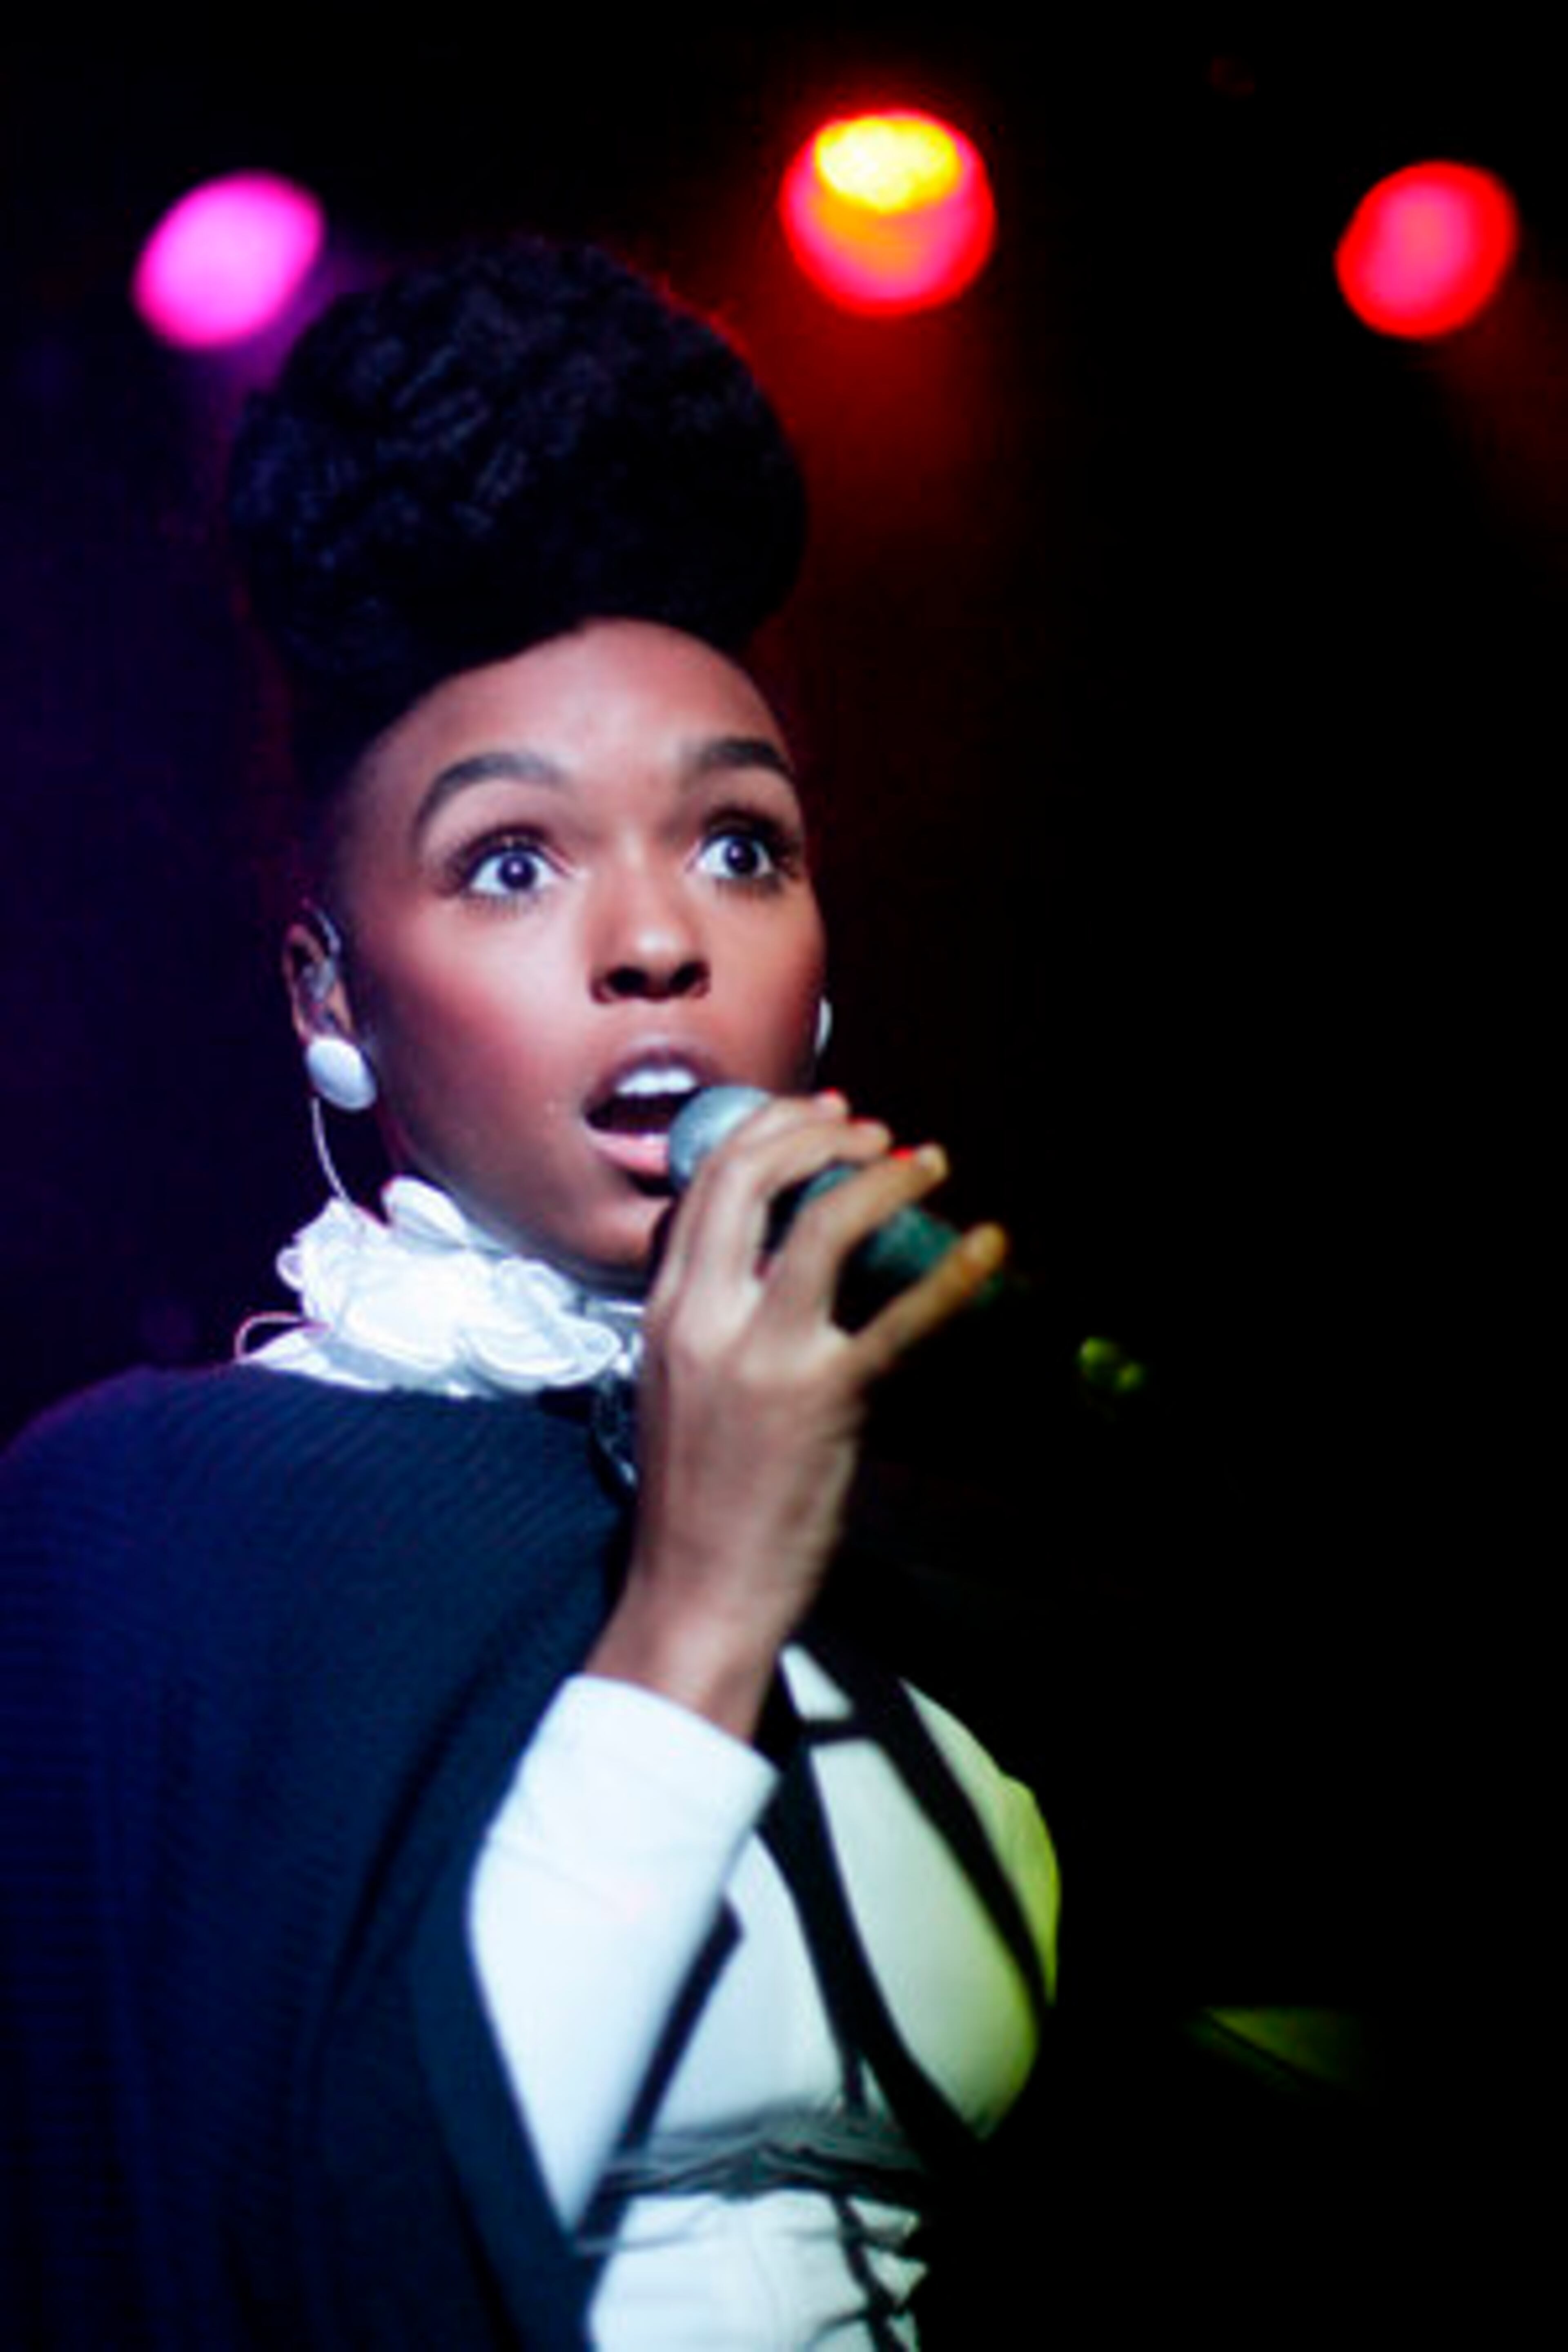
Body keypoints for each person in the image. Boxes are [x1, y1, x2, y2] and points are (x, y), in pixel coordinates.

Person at [0, 236, 1058, 2348]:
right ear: (328, 990)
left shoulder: (932, 1577)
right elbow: (316, 2251)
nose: (658, 942)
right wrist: (693, 1599)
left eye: (740, 845)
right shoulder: (152, 1528)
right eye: (512, 859)